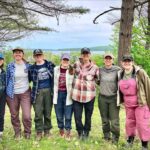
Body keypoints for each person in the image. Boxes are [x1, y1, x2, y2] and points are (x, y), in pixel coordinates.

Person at [118, 54, 150, 150]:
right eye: (125, 61)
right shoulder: (120, 74)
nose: (127, 63)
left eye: (129, 61)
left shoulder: (140, 72)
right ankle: (130, 140)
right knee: (129, 123)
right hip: (128, 104)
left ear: (132, 62)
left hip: (140, 103)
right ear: (122, 63)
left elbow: (148, 87)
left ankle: (144, 144)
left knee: (142, 124)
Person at [71, 47, 99, 140]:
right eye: (84, 54)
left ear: (90, 55)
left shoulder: (95, 67)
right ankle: (80, 132)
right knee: (77, 116)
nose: (85, 55)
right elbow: (70, 73)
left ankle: (86, 133)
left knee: (88, 116)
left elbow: (99, 80)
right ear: (81, 55)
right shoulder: (76, 64)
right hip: (76, 95)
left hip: (89, 96)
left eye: (87, 54)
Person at [29, 49, 55, 141]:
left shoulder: (50, 65)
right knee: (38, 113)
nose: (38, 57)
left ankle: (47, 131)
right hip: (37, 92)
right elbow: (27, 80)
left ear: (43, 56)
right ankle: (39, 132)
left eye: (39, 55)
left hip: (49, 91)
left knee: (48, 112)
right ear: (34, 57)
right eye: (36, 55)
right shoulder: (31, 68)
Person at [6, 48, 31, 139]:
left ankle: (27, 132)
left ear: (22, 54)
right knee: (14, 114)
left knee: (27, 115)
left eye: (19, 53)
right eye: (15, 53)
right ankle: (17, 133)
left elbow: (32, 77)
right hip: (12, 93)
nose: (17, 54)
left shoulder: (28, 65)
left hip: (25, 93)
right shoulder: (10, 66)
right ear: (13, 55)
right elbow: (7, 79)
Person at [98, 53, 120, 143]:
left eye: (109, 59)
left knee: (114, 120)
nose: (108, 60)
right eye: (106, 58)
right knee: (104, 119)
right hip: (102, 98)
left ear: (112, 60)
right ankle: (106, 136)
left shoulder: (118, 70)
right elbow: (96, 80)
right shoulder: (100, 70)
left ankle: (115, 138)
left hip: (113, 98)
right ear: (104, 60)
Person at [53, 53, 74, 140]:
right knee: (59, 114)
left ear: (69, 61)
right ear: (61, 60)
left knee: (68, 115)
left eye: (67, 60)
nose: (65, 61)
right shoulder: (55, 69)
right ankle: (61, 129)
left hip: (68, 94)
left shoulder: (72, 70)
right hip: (58, 94)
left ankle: (68, 130)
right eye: (64, 59)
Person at [0, 53, 6, 140]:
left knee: (1, 114)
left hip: (2, 96)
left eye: (0, 59)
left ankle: (0, 132)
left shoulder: (4, 73)